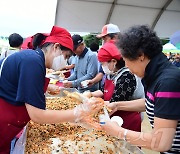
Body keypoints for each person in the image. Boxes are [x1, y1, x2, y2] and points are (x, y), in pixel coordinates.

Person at [0, 26, 101, 153]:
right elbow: (38, 115)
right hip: (4, 119)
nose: (65, 62)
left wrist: (46, 86)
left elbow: (18, 81)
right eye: (66, 56)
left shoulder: (33, 57)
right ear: (56, 47)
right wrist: (77, 113)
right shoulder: (33, 61)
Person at [101, 25, 180, 153]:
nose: (126, 65)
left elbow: (161, 142)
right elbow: (152, 102)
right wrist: (116, 105)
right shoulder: (154, 75)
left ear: (140, 55)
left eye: (126, 60)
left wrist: (118, 131)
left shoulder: (167, 82)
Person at [88, 40, 144, 131]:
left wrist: (94, 117)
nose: (102, 67)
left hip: (128, 117)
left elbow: (115, 102)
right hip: (114, 115)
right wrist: (90, 94)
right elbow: (103, 91)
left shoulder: (127, 76)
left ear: (113, 61)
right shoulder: (111, 74)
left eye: (102, 64)